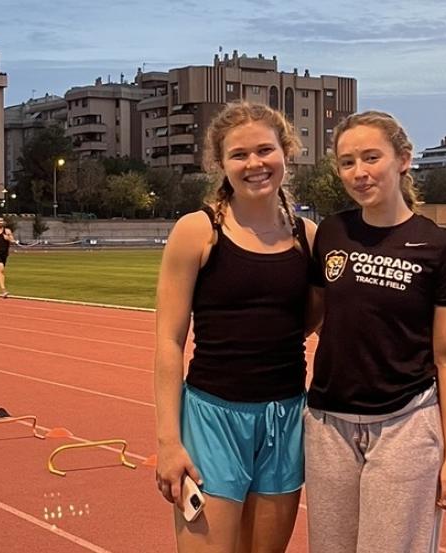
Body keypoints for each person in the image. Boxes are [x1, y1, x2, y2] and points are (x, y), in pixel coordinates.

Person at [153, 101, 315, 553]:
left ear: (287, 151)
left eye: (265, 150)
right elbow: (168, 342)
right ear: (219, 164)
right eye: (239, 155)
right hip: (212, 420)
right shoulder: (196, 231)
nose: (254, 164)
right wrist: (169, 442)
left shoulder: (308, 236)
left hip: (284, 422)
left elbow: (307, 322)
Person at [306, 111, 446, 553]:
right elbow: (315, 317)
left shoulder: (440, 247)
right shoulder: (332, 233)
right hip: (328, 425)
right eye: (346, 162)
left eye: (370, 157)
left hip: (405, 423)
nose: (358, 173)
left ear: (403, 159)